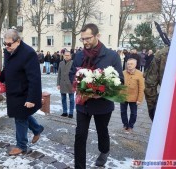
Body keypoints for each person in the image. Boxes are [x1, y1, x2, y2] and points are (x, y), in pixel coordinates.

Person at [69, 23, 123, 168]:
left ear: (97, 36)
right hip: (83, 104)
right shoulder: (79, 55)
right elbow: (71, 74)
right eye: (82, 39)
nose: (85, 42)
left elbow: (120, 81)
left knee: (102, 131)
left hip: (102, 104)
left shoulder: (112, 56)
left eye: (88, 38)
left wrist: (102, 92)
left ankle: (104, 150)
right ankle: (79, 166)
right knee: (80, 135)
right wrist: (78, 83)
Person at [0, 29, 44, 155]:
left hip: (24, 92)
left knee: (20, 118)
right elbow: (7, 68)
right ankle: (37, 128)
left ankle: (21, 146)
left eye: (9, 44)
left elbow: (34, 79)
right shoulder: (8, 51)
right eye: (5, 43)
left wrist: (32, 99)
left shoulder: (29, 53)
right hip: (13, 91)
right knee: (21, 115)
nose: (6, 46)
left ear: (18, 41)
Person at [144, 47, 169, 121]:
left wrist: (153, 110)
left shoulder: (163, 53)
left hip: (169, 104)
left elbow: (150, 84)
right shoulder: (163, 53)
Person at [120, 58, 145, 133]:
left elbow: (141, 87)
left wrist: (139, 99)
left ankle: (131, 126)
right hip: (123, 96)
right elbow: (119, 84)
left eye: (131, 64)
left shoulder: (140, 74)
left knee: (133, 113)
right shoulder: (123, 73)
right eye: (128, 64)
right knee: (123, 112)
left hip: (134, 98)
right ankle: (125, 124)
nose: (129, 65)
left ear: (135, 65)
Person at [57, 51, 74, 118]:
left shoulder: (73, 63)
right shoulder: (61, 63)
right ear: (63, 56)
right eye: (65, 55)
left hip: (70, 84)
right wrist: (58, 84)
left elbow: (75, 74)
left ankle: (71, 113)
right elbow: (59, 74)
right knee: (63, 99)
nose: (66, 56)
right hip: (62, 84)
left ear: (70, 56)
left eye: (68, 55)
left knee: (71, 99)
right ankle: (64, 112)